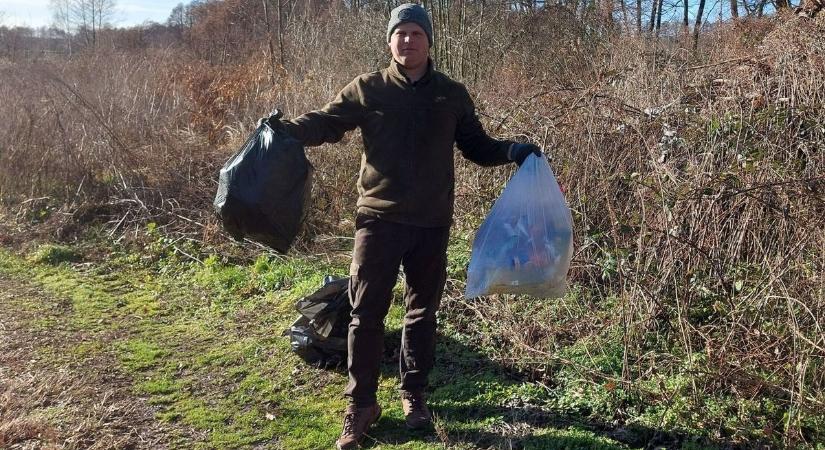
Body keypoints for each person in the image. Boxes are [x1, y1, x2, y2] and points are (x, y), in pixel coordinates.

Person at [275, 4, 541, 449]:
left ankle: (413, 394)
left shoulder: (451, 94)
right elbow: (326, 122)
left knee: (422, 313)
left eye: (416, 33)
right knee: (366, 314)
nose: (408, 41)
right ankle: (361, 405)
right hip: (378, 220)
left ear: (429, 40)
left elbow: (476, 145)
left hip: (432, 223)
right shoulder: (368, 89)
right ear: (389, 41)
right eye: (400, 33)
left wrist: (513, 150)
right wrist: (286, 131)